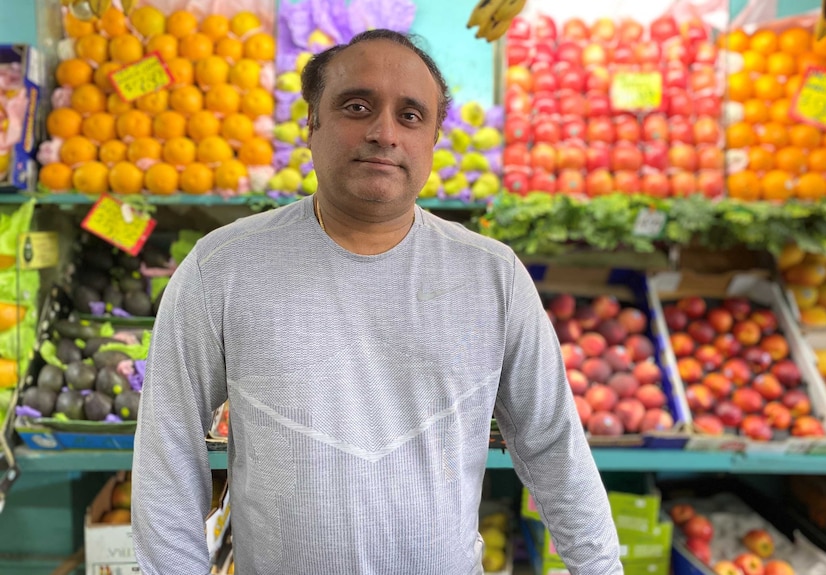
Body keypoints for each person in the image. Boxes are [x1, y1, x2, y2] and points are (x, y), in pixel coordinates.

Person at [131, 29, 622, 574]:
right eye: (357, 106)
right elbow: (167, 454)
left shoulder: (491, 276)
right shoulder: (222, 268)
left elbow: (555, 449)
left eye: (411, 116)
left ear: (434, 139)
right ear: (311, 124)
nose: (384, 132)